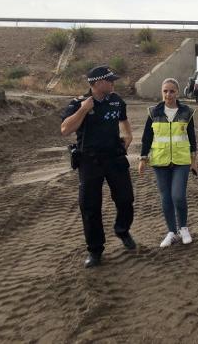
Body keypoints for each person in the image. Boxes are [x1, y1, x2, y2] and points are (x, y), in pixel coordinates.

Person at [60, 65, 136, 268]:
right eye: (110, 80)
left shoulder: (116, 100)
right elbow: (66, 129)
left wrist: (128, 135)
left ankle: (122, 230)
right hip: (90, 161)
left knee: (126, 198)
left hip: (114, 157)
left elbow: (124, 120)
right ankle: (95, 250)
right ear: (97, 83)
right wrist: (84, 110)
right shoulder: (78, 103)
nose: (113, 83)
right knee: (90, 206)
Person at [139, 78, 198, 247]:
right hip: (160, 160)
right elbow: (147, 138)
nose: (168, 94)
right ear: (161, 92)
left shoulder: (186, 112)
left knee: (178, 196)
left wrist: (194, 160)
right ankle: (172, 232)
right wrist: (143, 159)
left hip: (181, 159)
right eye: (165, 91)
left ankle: (184, 228)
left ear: (177, 93)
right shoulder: (154, 112)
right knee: (166, 198)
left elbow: (192, 138)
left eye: (172, 91)